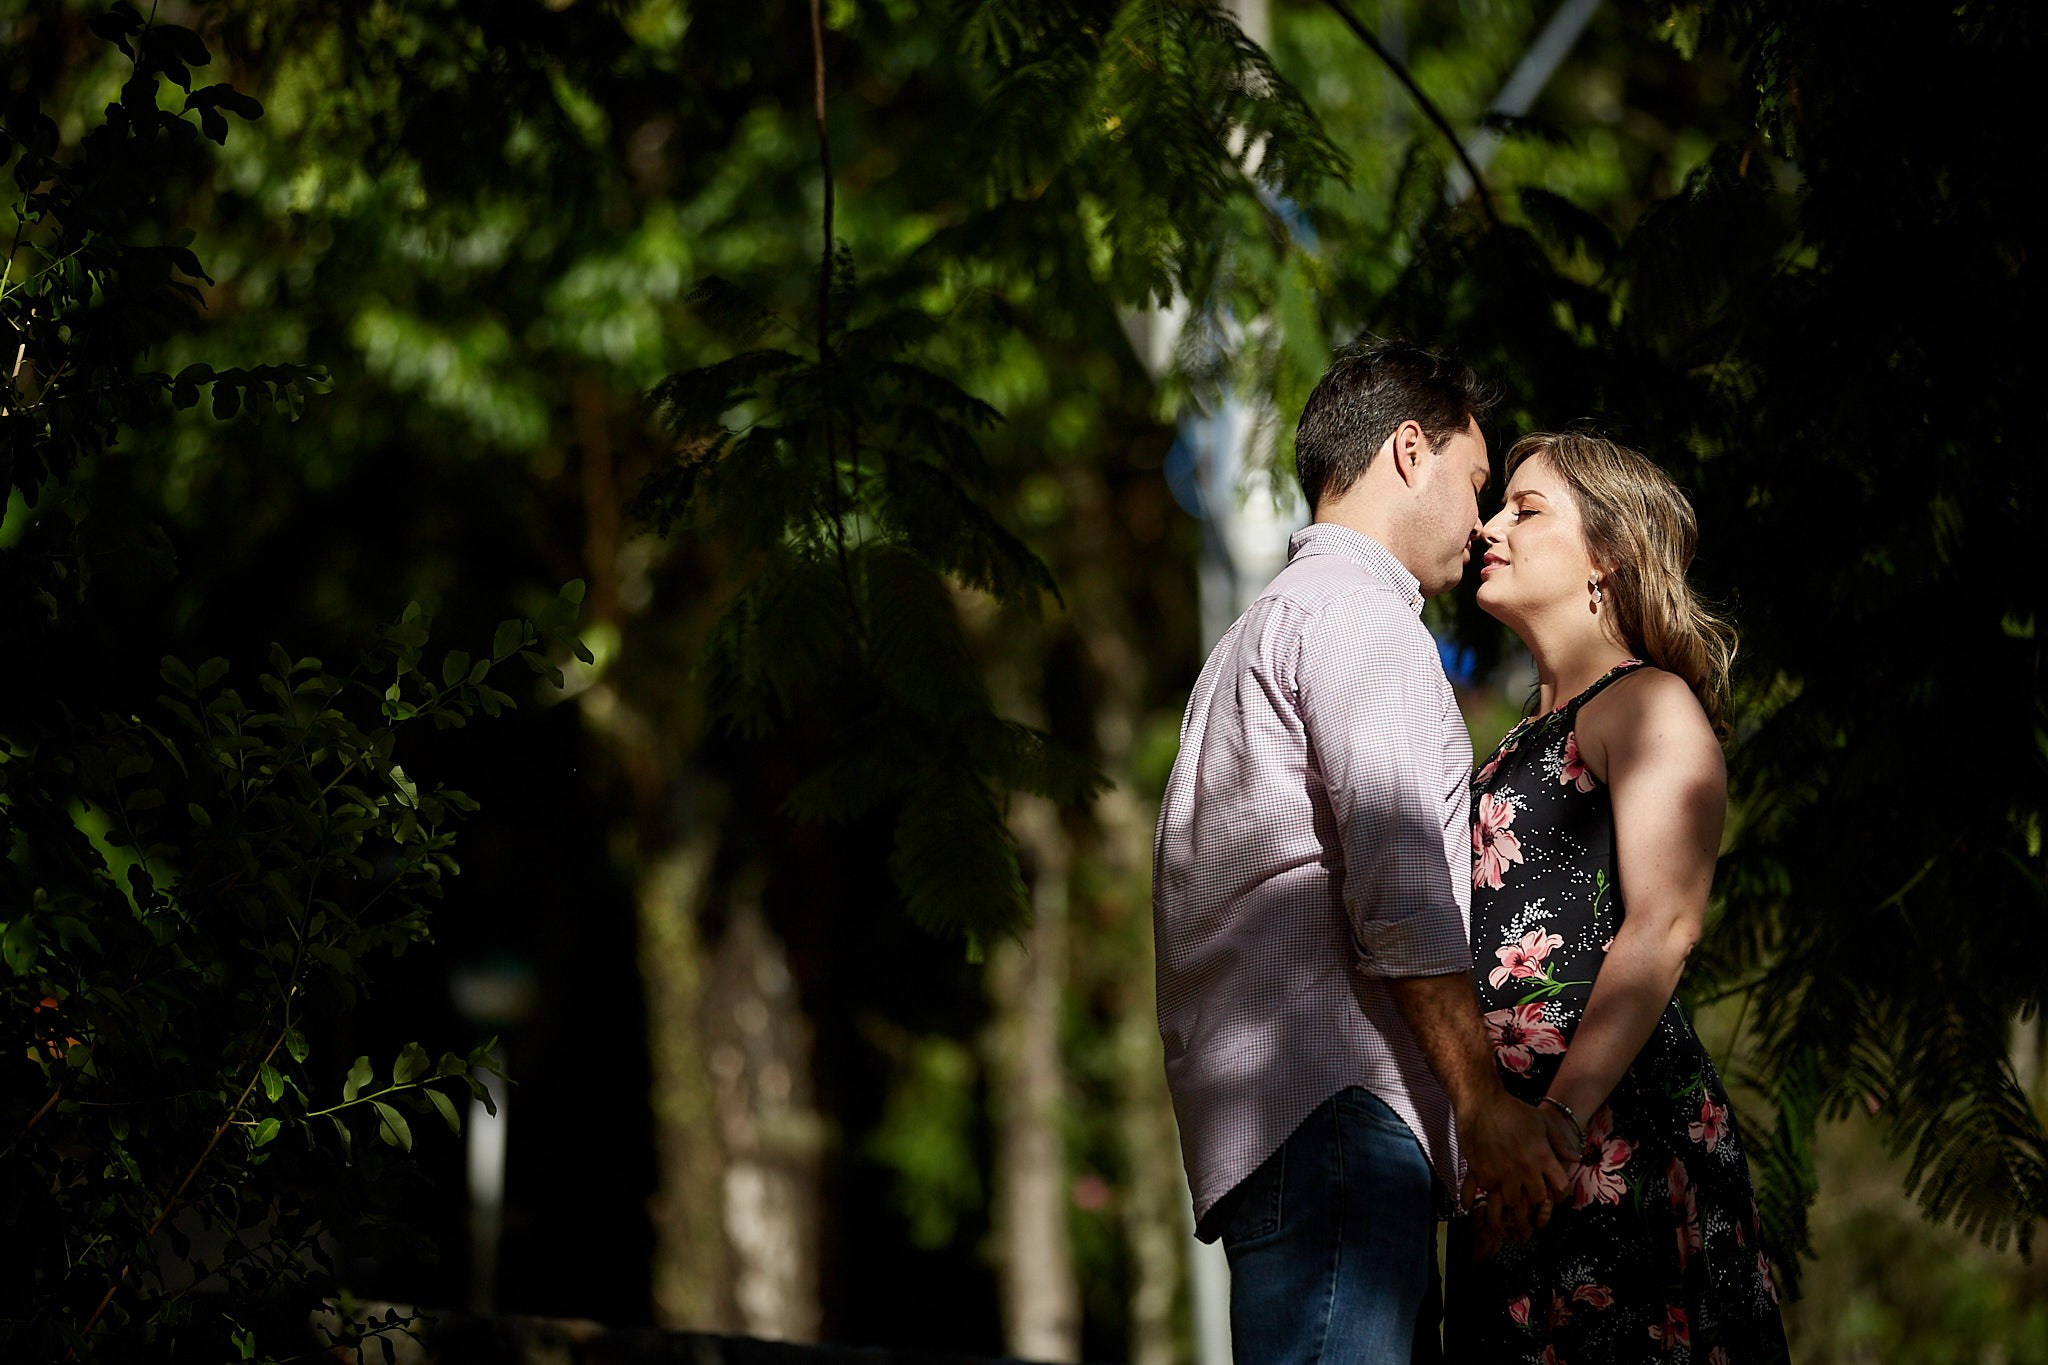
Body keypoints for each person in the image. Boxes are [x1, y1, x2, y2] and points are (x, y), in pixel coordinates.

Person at [1153, 340, 1572, 1365]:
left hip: (1276, 1128)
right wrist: (1479, 1105)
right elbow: (1397, 891)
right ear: (1406, 450)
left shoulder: (1257, 634)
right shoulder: (1360, 623)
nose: (1480, 524)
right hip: (1338, 1115)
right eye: (1476, 484)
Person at [1446, 432, 1789, 1361]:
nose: (1487, 527)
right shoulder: (1523, 733)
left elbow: (1665, 926)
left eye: (1526, 509)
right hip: (1520, 1159)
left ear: (1608, 554)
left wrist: (1558, 1121)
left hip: (1609, 1145)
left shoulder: (1648, 703)